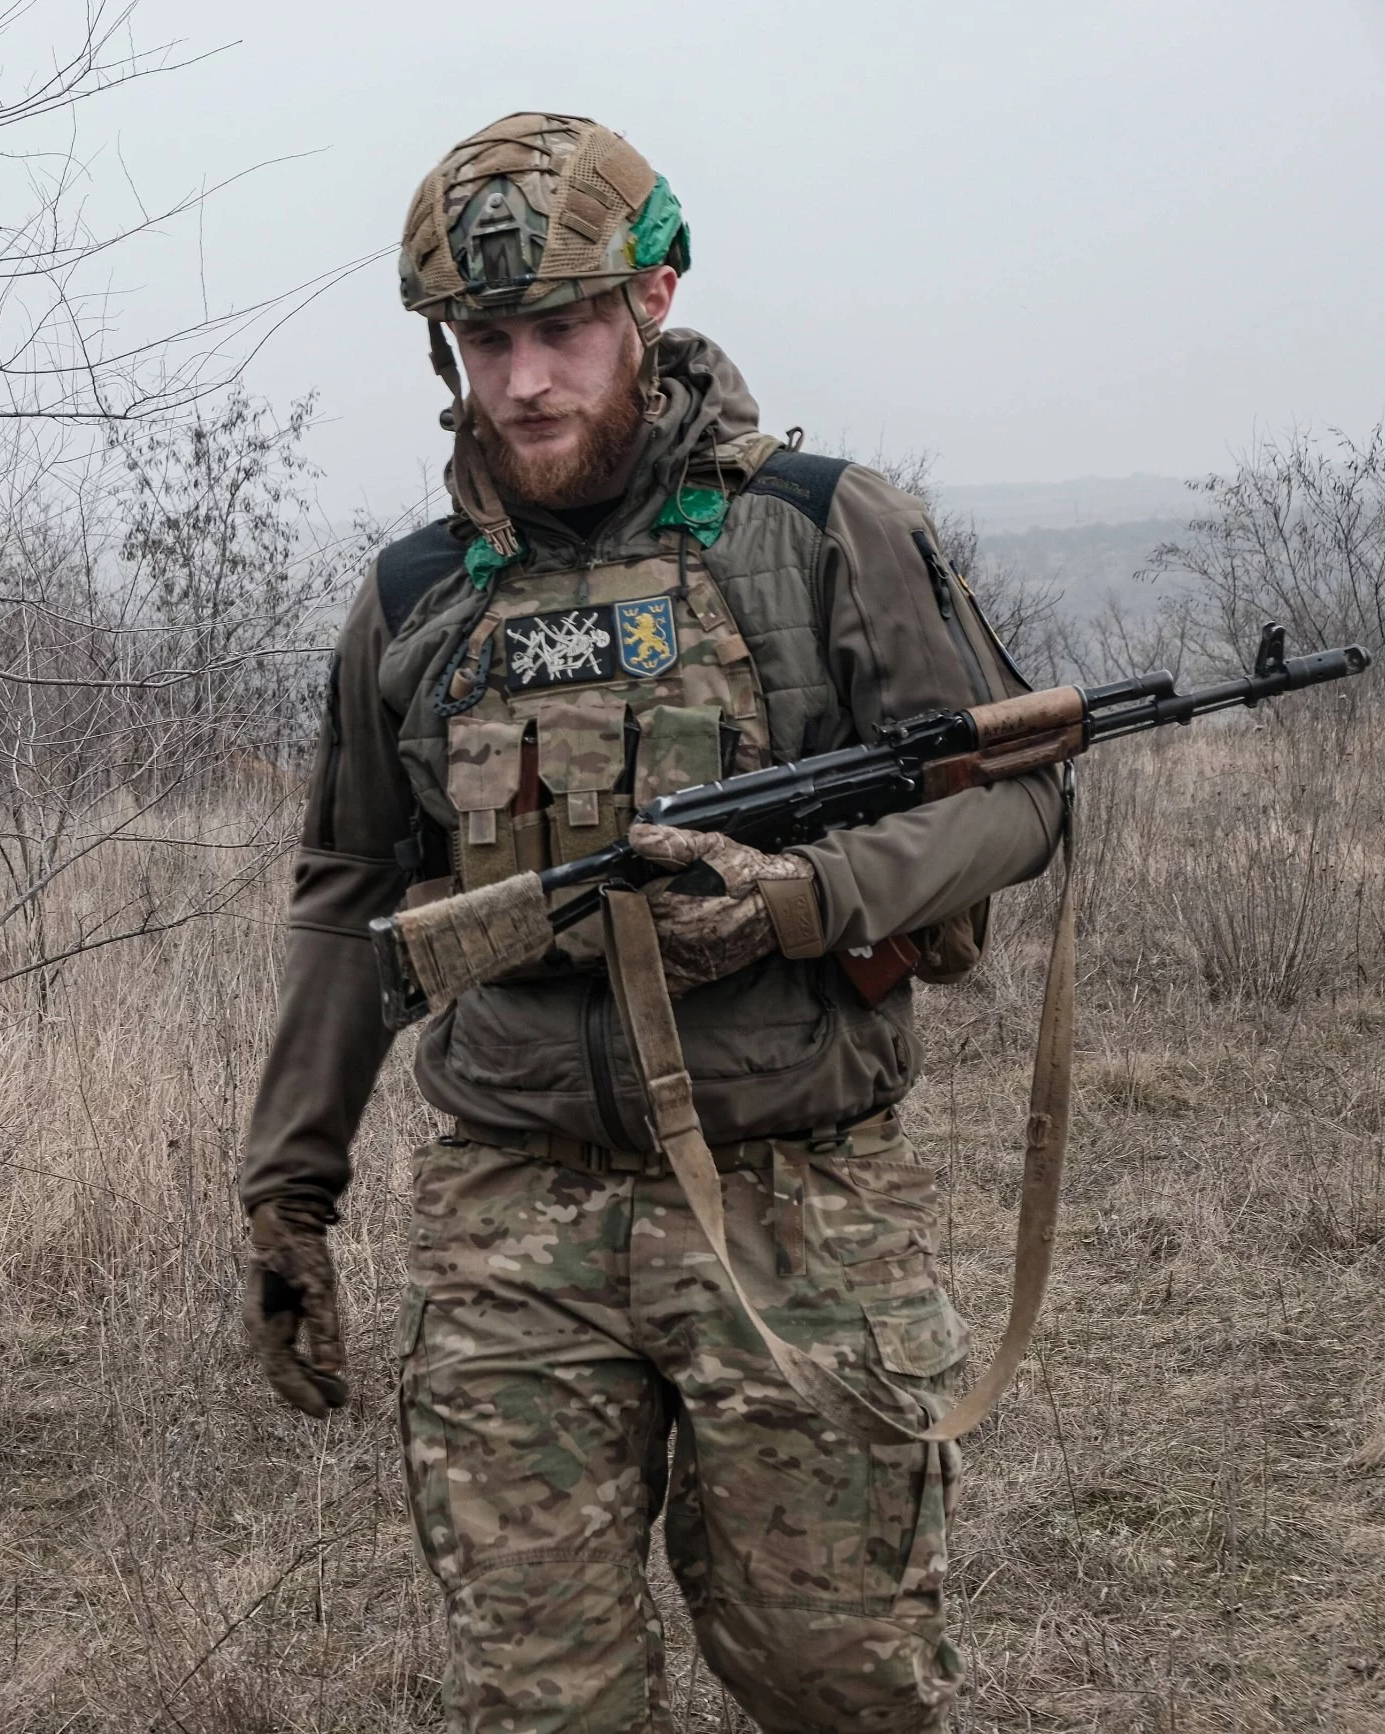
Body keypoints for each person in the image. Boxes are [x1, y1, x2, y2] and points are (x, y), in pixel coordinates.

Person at [239, 113, 1062, 1732]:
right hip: (511, 1216)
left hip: (788, 1197)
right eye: (486, 342)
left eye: (562, 329)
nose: (526, 379)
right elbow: (346, 899)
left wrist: (810, 895)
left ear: (654, 298)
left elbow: (1017, 795)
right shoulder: (416, 599)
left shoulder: (820, 529)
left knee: (839, 1678)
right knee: (540, 1697)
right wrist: (286, 1189)